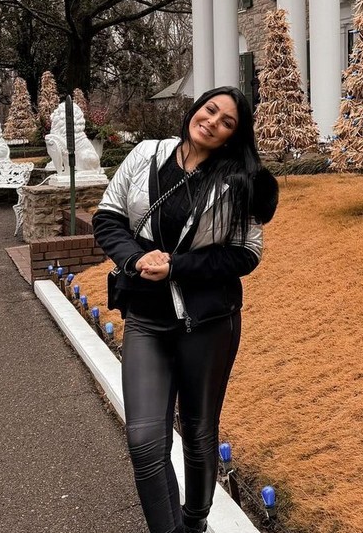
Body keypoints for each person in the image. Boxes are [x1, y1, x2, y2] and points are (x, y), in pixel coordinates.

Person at [92, 86, 279, 533]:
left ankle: (195, 523)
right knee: (144, 441)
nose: (213, 122)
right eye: (210, 110)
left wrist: (177, 266)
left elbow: (247, 253)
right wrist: (136, 259)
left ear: (234, 135)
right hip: (146, 319)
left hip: (208, 323)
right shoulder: (146, 155)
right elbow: (108, 217)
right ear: (195, 109)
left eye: (227, 122)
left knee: (198, 432)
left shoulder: (236, 180)